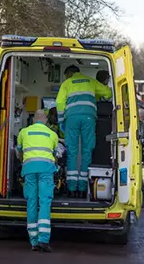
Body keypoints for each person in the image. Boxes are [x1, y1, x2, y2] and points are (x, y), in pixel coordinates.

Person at [57, 65, 112, 198]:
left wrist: (60, 121)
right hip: (88, 118)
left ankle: (71, 189)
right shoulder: (90, 81)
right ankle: (83, 189)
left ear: (69, 74)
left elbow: (59, 103)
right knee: (87, 150)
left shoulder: (67, 83)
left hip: (72, 119)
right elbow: (108, 93)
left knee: (72, 152)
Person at [16, 109, 59, 252]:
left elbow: (19, 152)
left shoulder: (24, 132)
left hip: (29, 169)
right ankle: (43, 240)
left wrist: (25, 162)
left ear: (34, 119)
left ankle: (34, 241)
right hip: (46, 170)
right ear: (45, 120)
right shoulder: (52, 134)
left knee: (32, 202)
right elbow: (55, 153)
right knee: (45, 201)